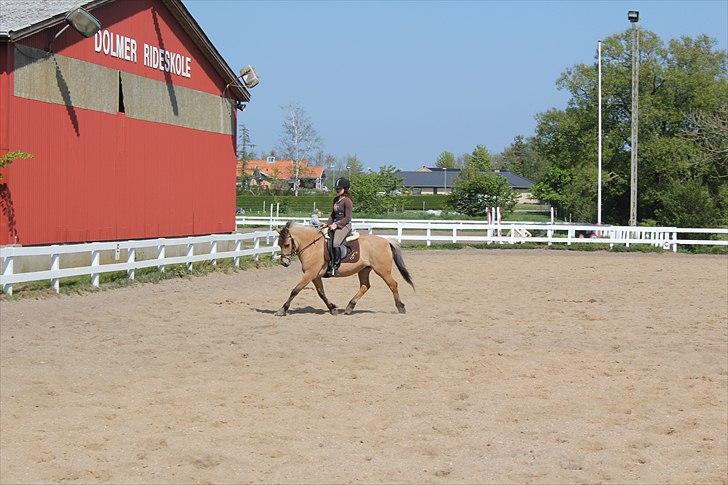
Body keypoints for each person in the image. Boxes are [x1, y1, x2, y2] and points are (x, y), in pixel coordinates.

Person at [324, 177, 353, 278]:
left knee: (336, 243)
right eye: (336, 189)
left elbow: (348, 217)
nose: (337, 190)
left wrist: (337, 224)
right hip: (333, 225)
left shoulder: (347, 201)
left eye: (339, 189)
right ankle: (327, 263)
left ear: (345, 189)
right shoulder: (335, 200)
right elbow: (333, 215)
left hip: (344, 225)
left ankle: (336, 265)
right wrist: (327, 224)